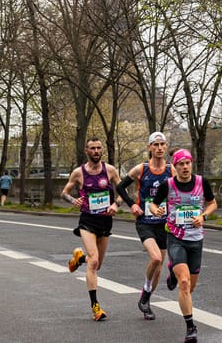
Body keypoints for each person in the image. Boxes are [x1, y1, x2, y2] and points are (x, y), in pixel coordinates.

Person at [150, 149, 217, 343]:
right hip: (175, 237)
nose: (185, 167)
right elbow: (154, 205)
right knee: (185, 283)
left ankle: (172, 271)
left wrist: (203, 216)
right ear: (175, 166)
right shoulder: (167, 185)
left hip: (196, 239)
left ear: (191, 164)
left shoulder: (201, 182)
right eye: (181, 164)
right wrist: (157, 210)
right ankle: (191, 328)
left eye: (188, 163)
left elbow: (213, 203)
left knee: (191, 286)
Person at [61, 137, 124, 321]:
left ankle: (79, 258)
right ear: (86, 151)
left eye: (99, 148)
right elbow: (64, 193)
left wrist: (116, 205)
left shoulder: (110, 170)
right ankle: (95, 307)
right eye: (92, 148)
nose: (96, 151)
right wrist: (74, 200)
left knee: (97, 264)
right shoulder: (78, 173)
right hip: (87, 220)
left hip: (105, 222)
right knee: (94, 262)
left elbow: (123, 192)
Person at [115, 131, 175, 321]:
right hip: (145, 222)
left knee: (158, 269)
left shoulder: (171, 170)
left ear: (166, 147)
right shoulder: (141, 169)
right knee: (156, 258)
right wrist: (132, 204)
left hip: (164, 224)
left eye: (162, 144)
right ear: (149, 147)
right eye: (155, 145)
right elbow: (119, 187)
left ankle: (146, 300)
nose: (159, 148)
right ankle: (147, 290)